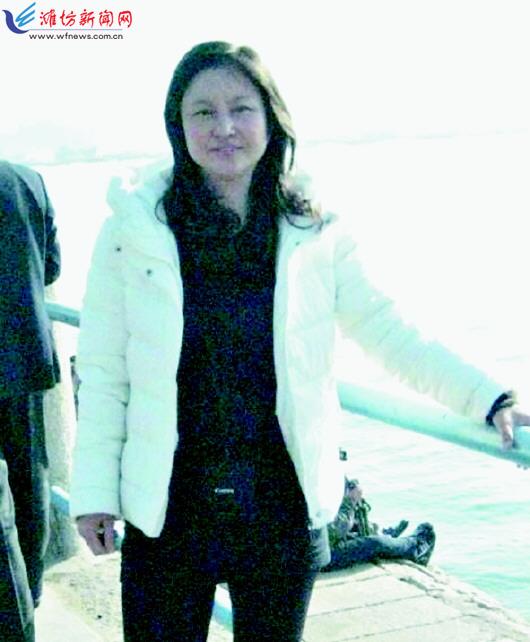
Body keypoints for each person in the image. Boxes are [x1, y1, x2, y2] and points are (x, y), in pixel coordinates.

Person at [70, 41, 530, 642]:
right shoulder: (135, 228)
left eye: (241, 108)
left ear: (271, 118)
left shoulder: (312, 228)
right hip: (168, 505)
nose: (224, 127)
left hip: (281, 508)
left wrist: (489, 397)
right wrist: (94, 492)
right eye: (203, 112)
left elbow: (389, 330)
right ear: (177, 125)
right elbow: (105, 370)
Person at [0, 160, 61, 639]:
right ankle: (31, 590)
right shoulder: (26, 179)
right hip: (23, 352)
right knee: (29, 477)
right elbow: (52, 265)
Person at [323, 477, 436, 571]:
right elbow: (336, 530)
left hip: (319, 548)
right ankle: (415, 548)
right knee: (373, 544)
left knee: (359, 528)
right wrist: (350, 500)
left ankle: (383, 535)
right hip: (322, 556)